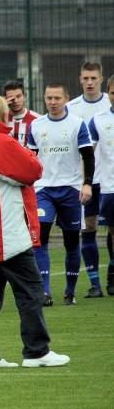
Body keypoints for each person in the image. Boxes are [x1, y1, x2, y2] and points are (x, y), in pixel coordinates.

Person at [0, 94, 69, 369]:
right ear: (4, 116)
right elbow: (33, 169)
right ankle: (36, 351)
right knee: (30, 290)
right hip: (4, 231)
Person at [27, 83, 94, 305]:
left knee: (71, 242)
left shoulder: (77, 125)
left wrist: (87, 184)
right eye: (49, 98)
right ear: (44, 99)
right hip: (43, 190)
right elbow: (30, 159)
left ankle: (69, 291)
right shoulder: (36, 126)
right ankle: (45, 292)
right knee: (40, 239)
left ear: (66, 98)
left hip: (71, 190)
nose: (53, 102)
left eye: (57, 98)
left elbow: (88, 156)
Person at [67, 62, 109, 298]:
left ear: (101, 79)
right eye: (86, 78)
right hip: (86, 180)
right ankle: (95, 283)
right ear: (80, 80)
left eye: (94, 78)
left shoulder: (108, 104)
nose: (90, 82)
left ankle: (111, 275)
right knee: (89, 228)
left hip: (109, 179)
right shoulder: (71, 108)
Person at [87, 74, 114, 295]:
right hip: (109, 187)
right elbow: (89, 152)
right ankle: (112, 270)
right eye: (113, 93)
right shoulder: (98, 120)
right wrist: (84, 180)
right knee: (113, 232)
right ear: (108, 94)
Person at [3, 80, 39, 147]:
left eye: (18, 96)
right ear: (5, 99)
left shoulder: (37, 120)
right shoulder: (0, 119)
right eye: (11, 98)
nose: (15, 101)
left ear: (25, 96)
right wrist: (2, 106)